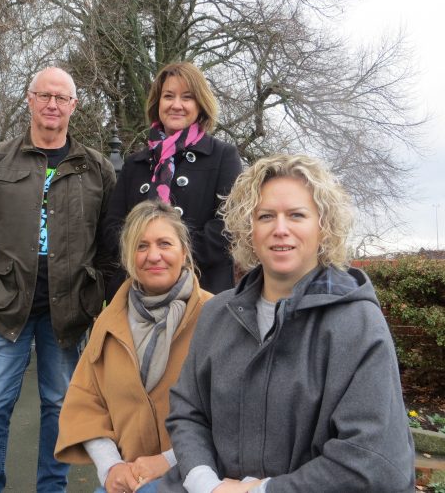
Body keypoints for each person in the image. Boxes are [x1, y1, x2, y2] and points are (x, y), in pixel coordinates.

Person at [160, 154, 415, 492]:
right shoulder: (216, 315)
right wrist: (206, 483)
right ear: (248, 228)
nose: (280, 229)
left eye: (296, 215)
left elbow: (373, 459)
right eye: (266, 216)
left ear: (323, 226)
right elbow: (188, 413)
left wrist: (260, 491)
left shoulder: (357, 324)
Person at [0, 66, 116, 492]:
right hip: (4, 304)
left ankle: (51, 489)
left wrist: (98, 293)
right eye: (45, 95)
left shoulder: (95, 168)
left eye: (62, 98)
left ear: (74, 106)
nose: (52, 104)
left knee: (60, 408)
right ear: (29, 99)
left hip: (68, 308)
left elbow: (113, 240)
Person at [55, 200, 213, 493]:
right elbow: (86, 404)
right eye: (141, 246)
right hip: (127, 480)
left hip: (199, 476)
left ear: (184, 251)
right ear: (129, 256)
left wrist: (167, 461)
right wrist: (111, 468)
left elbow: (232, 415)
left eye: (165, 243)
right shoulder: (108, 322)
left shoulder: (216, 316)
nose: (153, 256)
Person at [103, 62, 242, 300]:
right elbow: (112, 229)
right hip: (138, 293)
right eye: (168, 96)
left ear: (200, 104)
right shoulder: (135, 163)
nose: (176, 105)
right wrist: (145, 255)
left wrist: (171, 255)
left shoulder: (223, 156)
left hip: (202, 291)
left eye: (187, 97)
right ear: (158, 103)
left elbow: (228, 226)